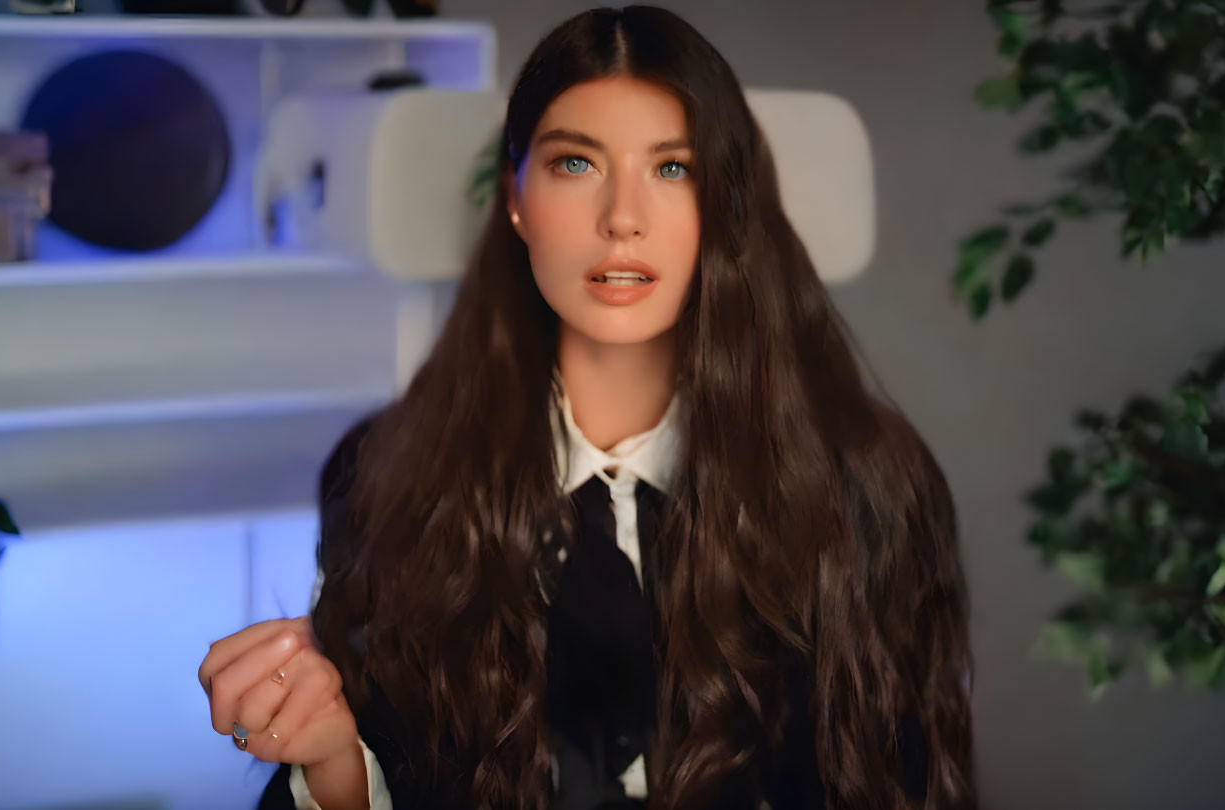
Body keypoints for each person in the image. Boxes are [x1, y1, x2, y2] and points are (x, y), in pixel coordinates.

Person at [197, 6, 977, 809]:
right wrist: (333, 769)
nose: (622, 218)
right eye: (576, 164)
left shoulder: (868, 486)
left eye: (674, 168)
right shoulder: (388, 478)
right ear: (515, 199)